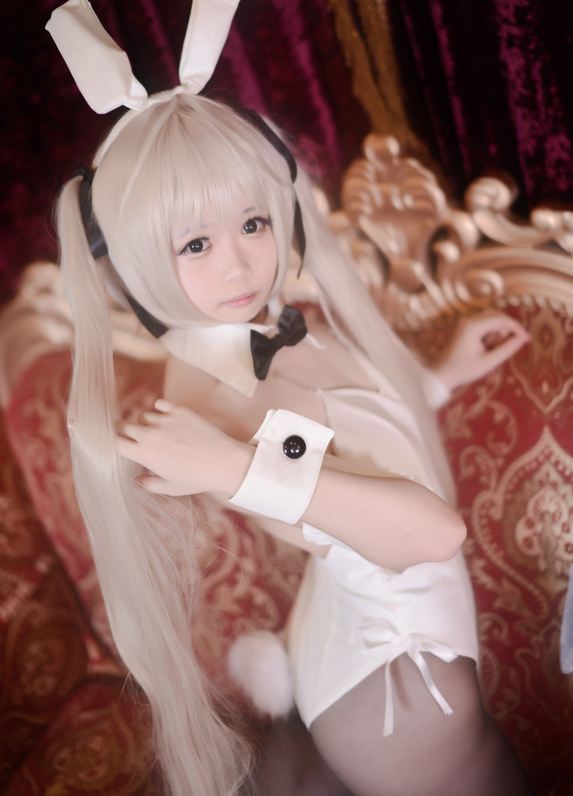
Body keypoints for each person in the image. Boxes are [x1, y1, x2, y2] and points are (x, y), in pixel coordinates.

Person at [56, 91, 531, 796]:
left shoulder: (256, 328)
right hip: (398, 683)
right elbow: (431, 533)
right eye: (195, 243)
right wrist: (230, 464)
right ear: (135, 257)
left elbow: (350, 449)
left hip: (345, 632)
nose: (240, 264)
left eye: (252, 222)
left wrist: (434, 380)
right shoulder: (225, 399)